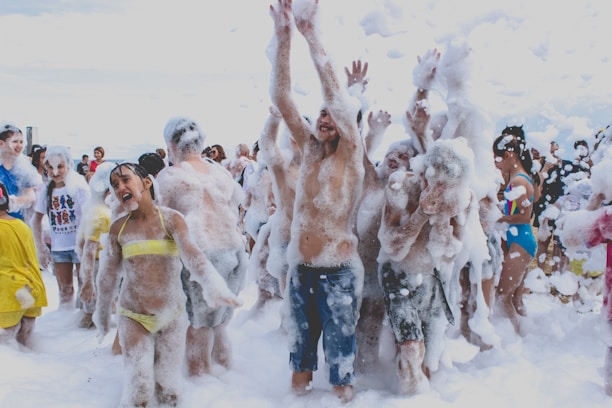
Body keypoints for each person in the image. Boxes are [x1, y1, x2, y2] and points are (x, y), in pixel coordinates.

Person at [269, 1, 366, 402]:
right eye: (320, 114)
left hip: (338, 273)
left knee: (340, 362)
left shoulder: (351, 155)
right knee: (300, 357)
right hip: (301, 270)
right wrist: (284, 38)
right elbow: (281, 96)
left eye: (332, 115)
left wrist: (312, 35)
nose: (324, 118)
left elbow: (338, 100)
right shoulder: (309, 150)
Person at [93, 163, 241, 407]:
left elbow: (194, 257)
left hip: (171, 316)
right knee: (139, 387)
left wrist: (215, 286)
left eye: (126, 180)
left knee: (169, 390)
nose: (121, 188)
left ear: (147, 182)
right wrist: (101, 315)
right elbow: (107, 277)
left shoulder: (171, 220)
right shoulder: (119, 229)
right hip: (133, 316)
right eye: (115, 185)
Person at [156, 117, 247, 377]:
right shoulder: (221, 173)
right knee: (218, 324)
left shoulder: (170, 176)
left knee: (197, 324)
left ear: (172, 144)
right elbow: (235, 214)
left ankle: (200, 381)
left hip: (202, 257)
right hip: (235, 254)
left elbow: (163, 225)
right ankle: (226, 379)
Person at [32, 146, 91, 315]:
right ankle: (64, 326)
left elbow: (90, 217)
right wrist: (41, 248)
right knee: (65, 292)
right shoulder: (47, 190)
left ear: (69, 165)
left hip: (79, 245)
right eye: (50, 167)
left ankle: (82, 328)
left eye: (60, 167)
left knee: (85, 291)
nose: (55, 172)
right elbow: (35, 219)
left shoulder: (78, 186)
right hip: (59, 247)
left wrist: (88, 246)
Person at [493, 133, 537, 333]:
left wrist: (499, 218)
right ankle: (526, 337)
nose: (496, 164)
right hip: (523, 241)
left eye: (498, 158)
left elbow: (525, 216)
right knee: (516, 298)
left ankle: (517, 336)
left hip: (520, 240)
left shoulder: (518, 182)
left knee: (502, 296)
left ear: (509, 154)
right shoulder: (523, 177)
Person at [0, 182, 48, 347]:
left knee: (5, 346)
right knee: (25, 344)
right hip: (32, 289)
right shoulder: (22, 226)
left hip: (9, 294)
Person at [0, 122, 41, 220]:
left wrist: (10, 203)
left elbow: (31, 197)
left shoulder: (24, 169)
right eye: (15, 141)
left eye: (21, 142)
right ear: (1, 143)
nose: (19, 145)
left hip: (17, 221)